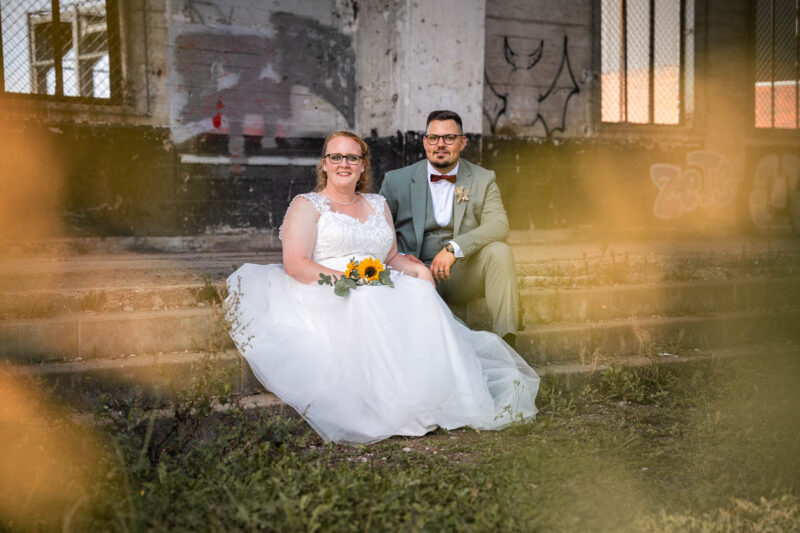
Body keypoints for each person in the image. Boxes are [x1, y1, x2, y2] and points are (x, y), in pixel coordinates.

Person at [226, 131, 538, 444]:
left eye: (352, 157)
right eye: (336, 157)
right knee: (367, 301)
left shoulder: (377, 204)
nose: (343, 164)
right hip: (325, 287)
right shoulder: (307, 205)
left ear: (363, 166)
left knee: (419, 292)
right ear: (324, 164)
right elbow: (296, 263)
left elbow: (389, 257)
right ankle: (396, 404)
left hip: (376, 279)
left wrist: (418, 270)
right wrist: (349, 281)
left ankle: (437, 395)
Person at [380, 110, 520, 347]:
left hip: (462, 274)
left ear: (463, 142)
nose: (440, 144)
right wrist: (401, 258)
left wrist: (454, 248)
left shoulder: (483, 179)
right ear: (425, 142)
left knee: (500, 251)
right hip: (413, 276)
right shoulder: (396, 181)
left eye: (449, 138)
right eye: (434, 138)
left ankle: (507, 342)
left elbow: (499, 225)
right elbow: (378, 231)